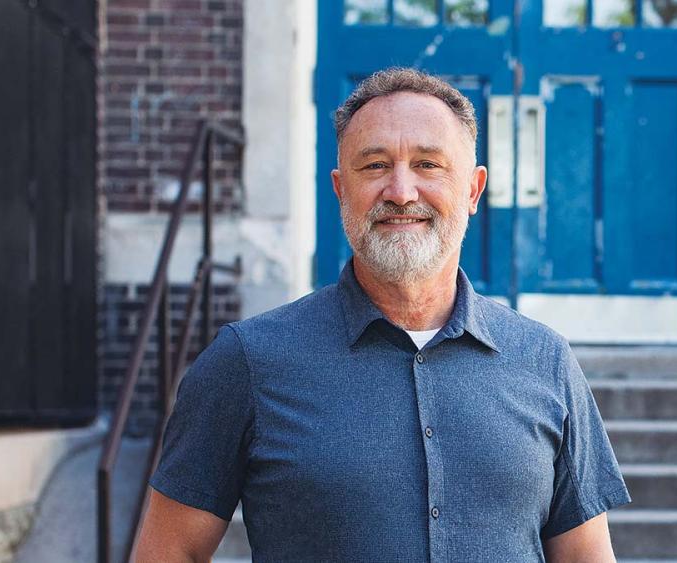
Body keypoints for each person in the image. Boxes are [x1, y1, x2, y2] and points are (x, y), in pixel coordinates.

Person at [135, 67, 630, 562]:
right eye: (374, 166)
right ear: (339, 190)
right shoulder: (247, 362)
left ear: (474, 190)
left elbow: (586, 556)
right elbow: (168, 552)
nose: (401, 191)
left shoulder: (545, 361)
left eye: (428, 165)